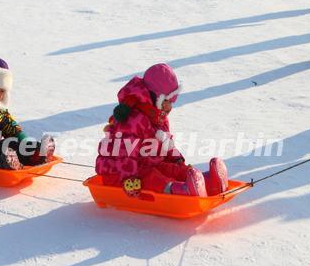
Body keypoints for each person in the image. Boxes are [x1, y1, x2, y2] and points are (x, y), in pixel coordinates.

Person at [95, 63, 229, 197]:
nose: (170, 107)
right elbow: (124, 153)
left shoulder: (159, 118)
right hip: (120, 174)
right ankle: (181, 190)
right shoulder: (133, 120)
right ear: (154, 97)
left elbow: (167, 143)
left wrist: (177, 161)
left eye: (172, 102)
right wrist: (129, 177)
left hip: (148, 164)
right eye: (167, 101)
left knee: (172, 170)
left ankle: (208, 182)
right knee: (151, 177)